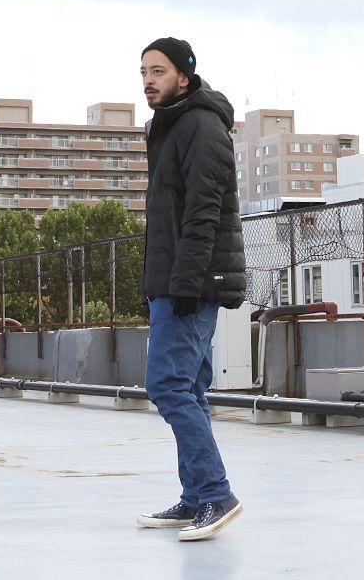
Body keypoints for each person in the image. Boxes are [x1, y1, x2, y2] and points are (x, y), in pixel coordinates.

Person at [136, 37, 246, 541]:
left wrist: (184, 284)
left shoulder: (201, 125)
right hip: (174, 279)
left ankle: (217, 493)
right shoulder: (169, 127)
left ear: (184, 76)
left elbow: (204, 212)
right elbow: (167, 218)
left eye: (158, 71)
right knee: (189, 388)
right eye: (143, 72)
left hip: (192, 283)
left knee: (168, 385)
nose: (148, 80)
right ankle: (197, 496)